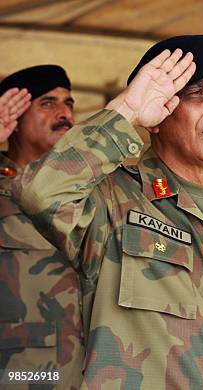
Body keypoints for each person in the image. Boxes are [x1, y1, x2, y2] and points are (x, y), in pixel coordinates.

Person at [15, 36, 203, 389]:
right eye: (198, 93)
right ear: (158, 113)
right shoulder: (112, 200)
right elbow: (39, 193)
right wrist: (126, 111)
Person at [0, 65, 84, 388]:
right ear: (15, 121)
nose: (64, 113)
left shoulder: (87, 190)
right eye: (47, 103)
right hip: (19, 372)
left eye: (69, 103)